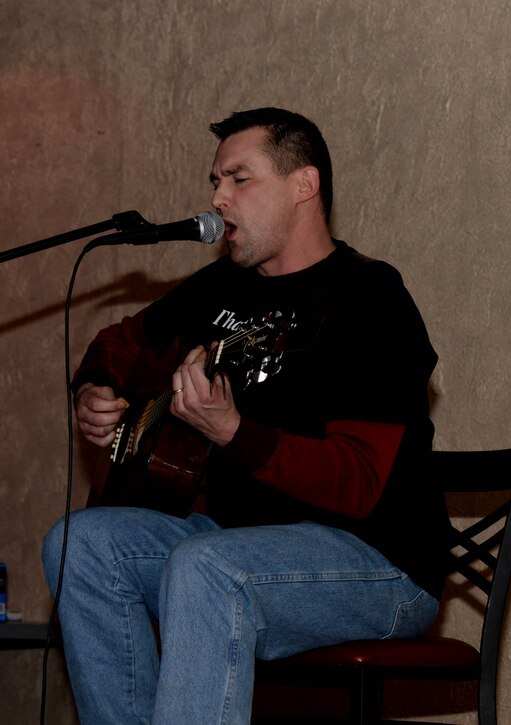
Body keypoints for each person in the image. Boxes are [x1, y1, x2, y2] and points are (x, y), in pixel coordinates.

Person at [41, 108, 449, 723]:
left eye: (239, 179)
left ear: (303, 185)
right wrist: (95, 387)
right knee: (81, 545)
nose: (217, 198)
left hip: (377, 563)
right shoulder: (221, 289)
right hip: (235, 546)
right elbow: (122, 340)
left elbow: (360, 482)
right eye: (215, 181)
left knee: (206, 569)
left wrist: (233, 431)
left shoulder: (370, 298)